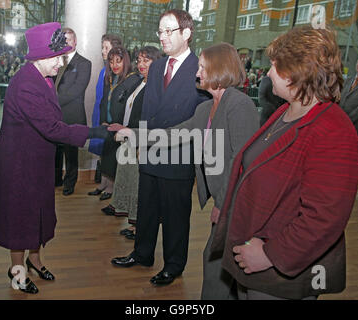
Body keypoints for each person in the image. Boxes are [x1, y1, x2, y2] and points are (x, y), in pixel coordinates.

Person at [210, 26, 358, 300]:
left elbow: (324, 219)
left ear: (295, 71)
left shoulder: (333, 129)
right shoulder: (285, 112)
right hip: (250, 255)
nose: (267, 72)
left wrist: (270, 254)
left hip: (277, 271)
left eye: (274, 65)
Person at [110, 43, 260, 297]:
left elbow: (243, 162)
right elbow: (172, 135)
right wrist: (132, 133)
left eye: (202, 67)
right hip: (223, 199)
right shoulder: (206, 108)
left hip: (236, 203)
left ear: (219, 68)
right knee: (215, 262)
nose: (197, 73)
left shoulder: (239, 104)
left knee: (221, 264)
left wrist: (223, 204)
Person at [0, 22, 109, 294]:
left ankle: (34, 260)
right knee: (20, 219)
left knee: (38, 213)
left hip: (37, 161)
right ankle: (18, 271)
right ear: (42, 56)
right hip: (19, 165)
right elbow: (53, 128)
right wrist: (98, 132)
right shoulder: (26, 84)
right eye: (59, 57)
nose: (62, 62)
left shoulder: (43, 78)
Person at [111, 9, 208, 286]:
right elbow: (147, 110)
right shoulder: (156, 67)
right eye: (160, 31)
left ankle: (174, 265)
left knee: (176, 216)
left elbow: (198, 119)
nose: (163, 37)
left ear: (186, 33)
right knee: (147, 208)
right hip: (151, 150)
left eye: (169, 31)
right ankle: (142, 254)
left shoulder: (199, 69)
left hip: (179, 154)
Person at [102, 46, 162, 242]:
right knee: (130, 183)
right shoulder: (140, 82)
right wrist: (122, 126)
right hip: (130, 136)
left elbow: (150, 119)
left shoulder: (157, 86)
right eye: (140, 60)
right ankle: (134, 223)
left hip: (141, 141)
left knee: (139, 186)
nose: (141, 64)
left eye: (147, 60)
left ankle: (139, 227)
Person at [88, 46, 141, 200]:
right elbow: (105, 101)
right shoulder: (110, 77)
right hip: (108, 123)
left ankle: (111, 188)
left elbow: (127, 106)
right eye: (111, 62)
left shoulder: (133, 79)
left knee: (113, 158)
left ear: (126, 61)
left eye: (119, 61)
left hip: (120, 126)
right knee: (106, 155)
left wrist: (118, 125)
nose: (115, 65)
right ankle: (104, 184)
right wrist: (104, 120)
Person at [54, 27, 92, 195]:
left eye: (68, 39)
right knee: (55, 150)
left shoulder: (84, 63)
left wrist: (52, 102)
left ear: (75, 41)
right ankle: (55, 180)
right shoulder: (55, 60)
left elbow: (77, 90)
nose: (65, 43)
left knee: (71, 154)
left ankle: (69, 184)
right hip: (55, 115)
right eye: (63, 40)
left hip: (71, 115)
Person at [88, 34, 122, 184]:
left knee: (109, 151)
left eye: (106, 48)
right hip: (99, 113)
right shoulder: (104, 70)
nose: (103, 51)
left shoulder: (117, 72)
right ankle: (103, 184)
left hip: (109, 117)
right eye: (102, 47)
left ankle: (109, 186)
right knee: (101, 150)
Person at [339, 54, 358, 139]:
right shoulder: (348, 80)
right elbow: (339, 99)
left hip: (355, 127)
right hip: (339, 124)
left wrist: (345, 121)